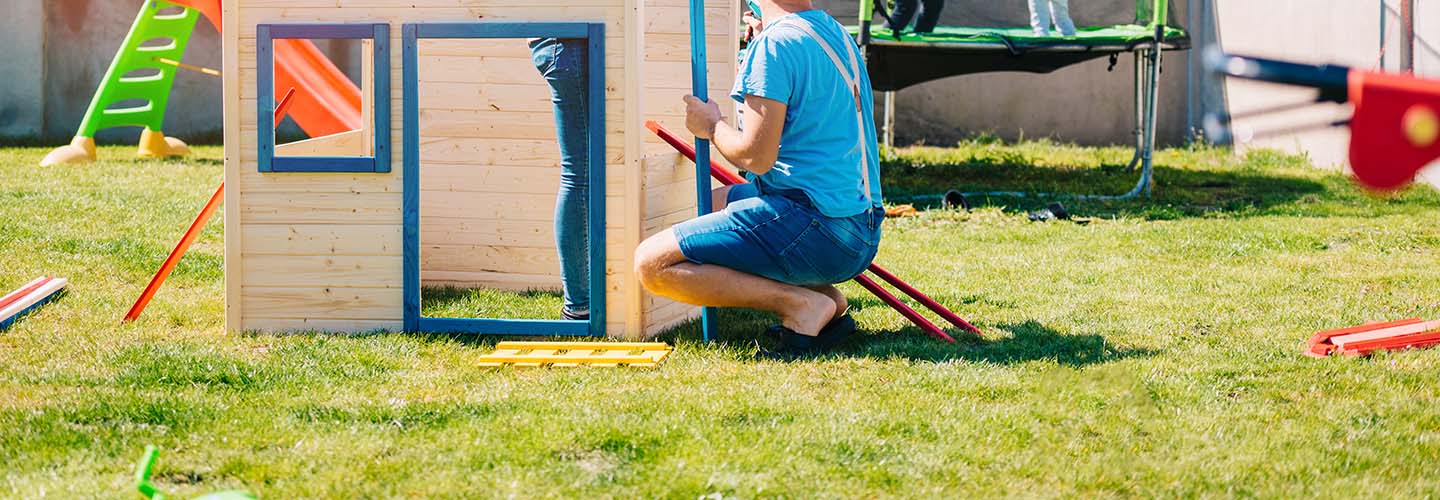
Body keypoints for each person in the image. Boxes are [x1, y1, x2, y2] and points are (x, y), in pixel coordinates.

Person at [633, 0, 885, 357]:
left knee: (652, 265)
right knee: (715, 202)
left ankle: (800, 306)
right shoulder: (833, 32)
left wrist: (710, 126)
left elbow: (754, 157)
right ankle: (826, 298)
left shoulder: (775, 46)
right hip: (859, 230)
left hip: (817, 229)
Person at [529, 38, 590, 321]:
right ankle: (578, 304)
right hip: (566, 44)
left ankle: (581, 301)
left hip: (562, 45)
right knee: (579, 173)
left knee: (580, 172)